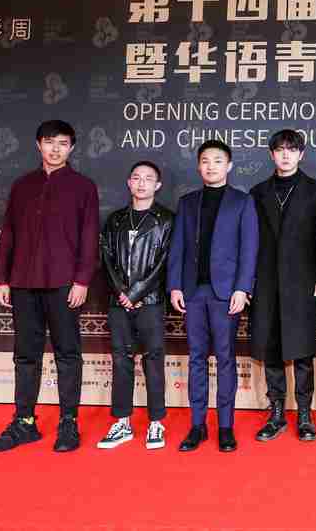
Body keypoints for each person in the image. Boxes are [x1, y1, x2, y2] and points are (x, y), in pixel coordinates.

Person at [0, 120, 99, 453]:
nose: (55, 149)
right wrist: (2, 278)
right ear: (38, 145)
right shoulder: (22, 185)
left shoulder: (83, 186)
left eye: (62, 143)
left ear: (72, 148)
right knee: (25, 355)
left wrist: (82, 280)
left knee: (68, 354)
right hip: (22, 282)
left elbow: (89, 237)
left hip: (64, 284)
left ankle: (69, 422)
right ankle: (24, 422)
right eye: (49, 142)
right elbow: (9, 233)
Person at [168, 140, 258, 453]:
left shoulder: (242, 202)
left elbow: (249, 249)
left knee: (225, 358)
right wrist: (175, 285)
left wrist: (242, 288)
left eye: (217, 161)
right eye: (205, 160)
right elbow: (177, 246)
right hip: (193, 291)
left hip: (226, 293)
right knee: (196, 358)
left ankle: (225, 426)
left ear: (229, 165)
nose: (211, 166)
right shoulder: (187, 202)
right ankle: (197, 425)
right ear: (198, 165)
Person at [249, 130, 316, 442]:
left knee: (303, 350)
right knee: (271, 349)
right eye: (280, 150)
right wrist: (248, 281)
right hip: (266, 281)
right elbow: (250, 241)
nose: (285, 155)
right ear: (271, 154)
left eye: (291, 150)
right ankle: (277, 414)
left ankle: (305, 415)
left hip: (304, 281)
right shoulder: (258, 192)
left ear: (301, 154)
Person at [97, 160, 174, 450]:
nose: (142, 183)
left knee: (153, 359)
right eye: (136, 178)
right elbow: (106, 258)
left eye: (148, 178)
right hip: (119, 303)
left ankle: (156, 422)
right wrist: (122, 292)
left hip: (151, 301)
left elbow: (165, 262)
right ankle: (122, 422)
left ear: (158, 185)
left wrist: (138, 292)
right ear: (129, 183)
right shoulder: (115, 220)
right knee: (121, 359)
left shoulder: (167, 220)